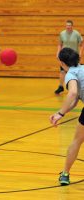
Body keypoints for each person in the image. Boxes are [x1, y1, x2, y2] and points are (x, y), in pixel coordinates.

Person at [50, 47, 84, 186]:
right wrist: (62, 112)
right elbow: (75, 102)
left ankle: (65, 174)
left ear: (62, 63)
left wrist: (59, 113)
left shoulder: (70, 74)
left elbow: (73, 93)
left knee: (76, 141)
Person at [55, 20, 83, 94]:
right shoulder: (62, 34)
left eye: (69, 25)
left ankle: (77, 86)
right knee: (62, 71)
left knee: (74, 71)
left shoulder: (77, 34)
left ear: (72, 26)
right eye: (67, 25)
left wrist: (80, 53)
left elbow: (82, 44)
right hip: (65, 56)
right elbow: (60, 44)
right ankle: (61, 87)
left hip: (73, 56)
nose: (68, 27)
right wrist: (58, 52)